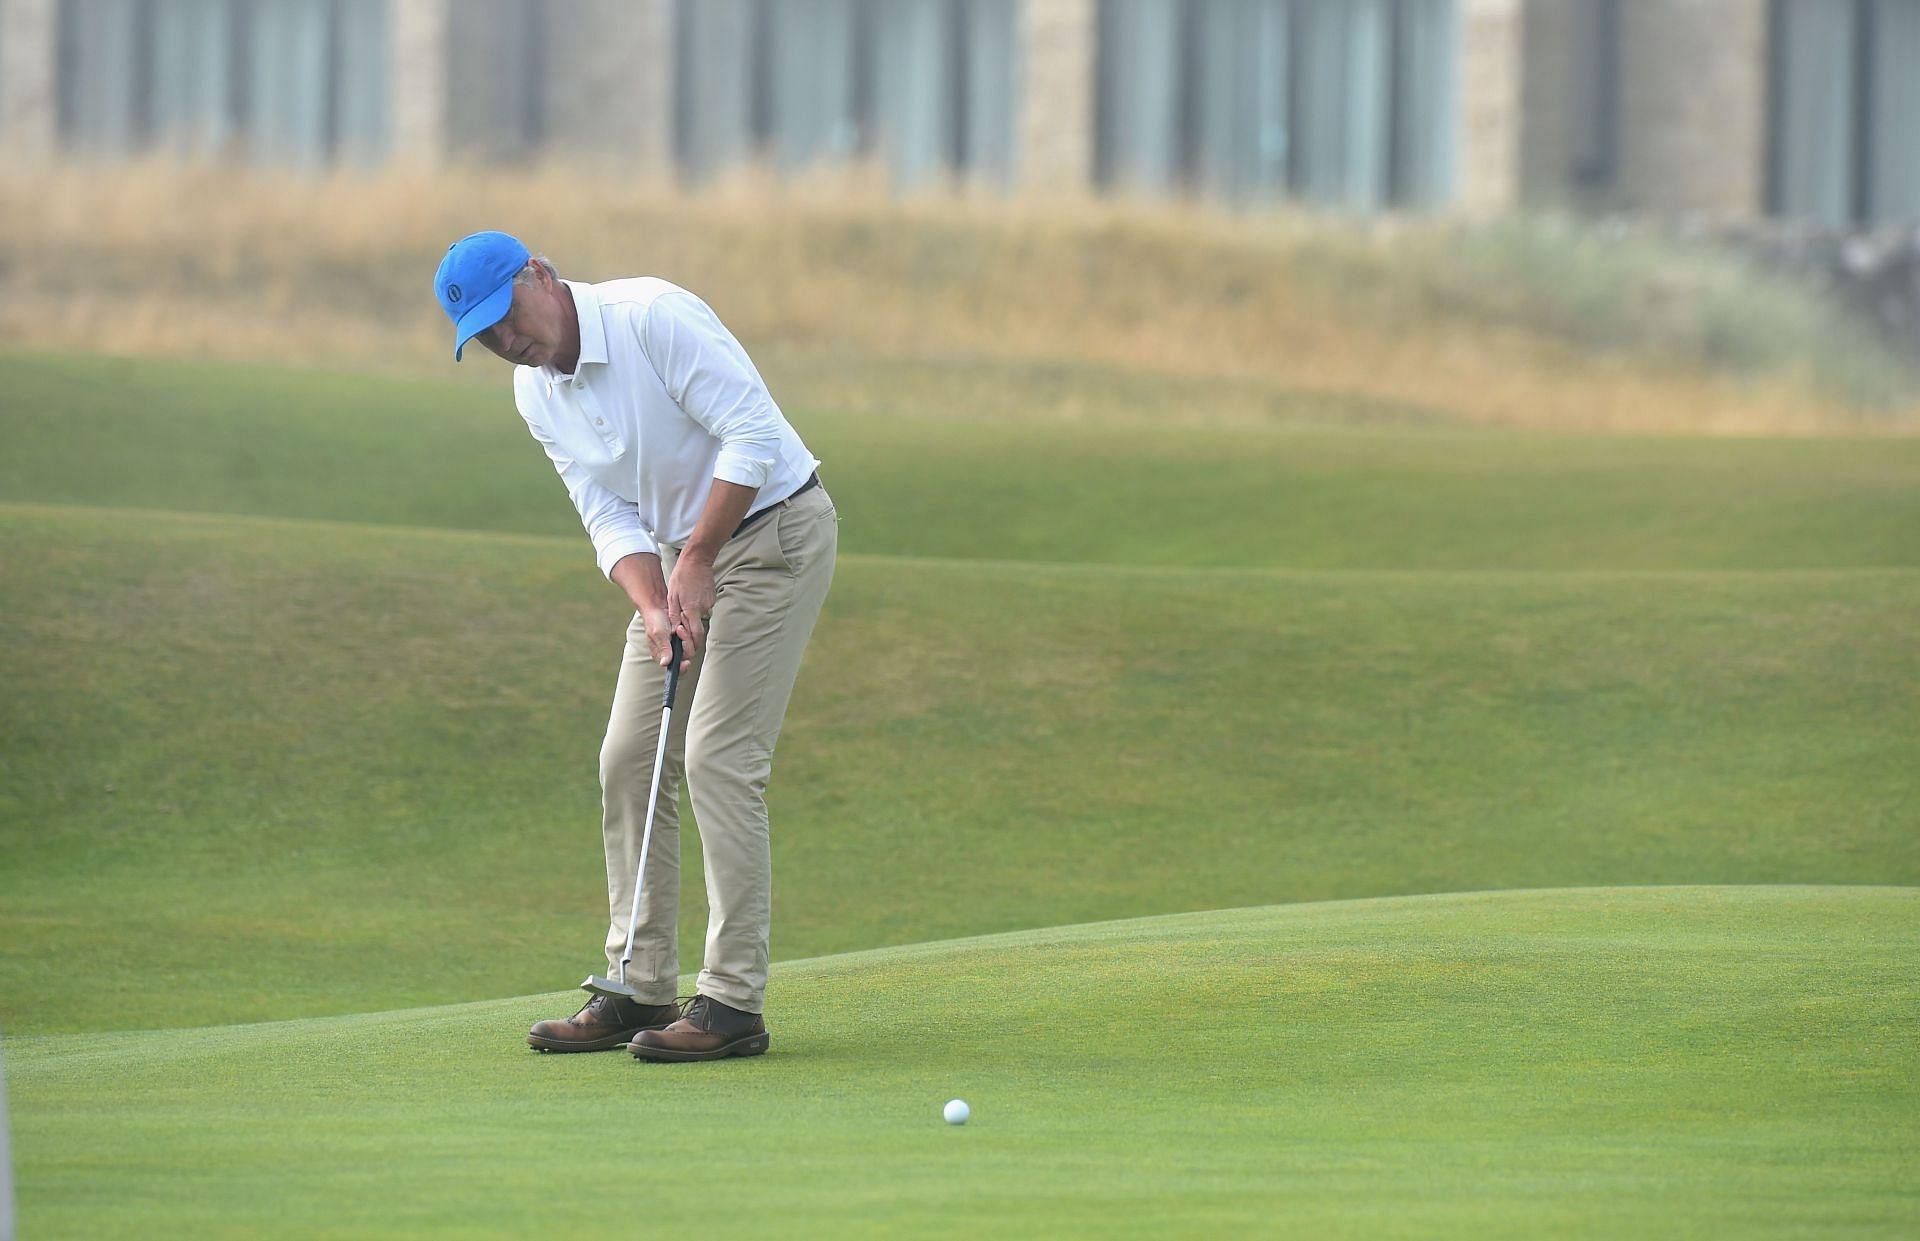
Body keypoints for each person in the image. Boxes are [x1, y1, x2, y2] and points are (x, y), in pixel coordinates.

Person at [433, 231, 836, 1061]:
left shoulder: (653, 317)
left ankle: (731, 1003)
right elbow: (605, 511)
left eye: (507, 316)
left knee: (719, 756)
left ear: (539, 275)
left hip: (774, 536)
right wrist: (653, 602)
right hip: (679, 561)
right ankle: (639, 980)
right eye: (488, 336)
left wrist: (696, 558)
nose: (508, 343)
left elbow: (752, 438)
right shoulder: (536, 394)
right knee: (629, 755)